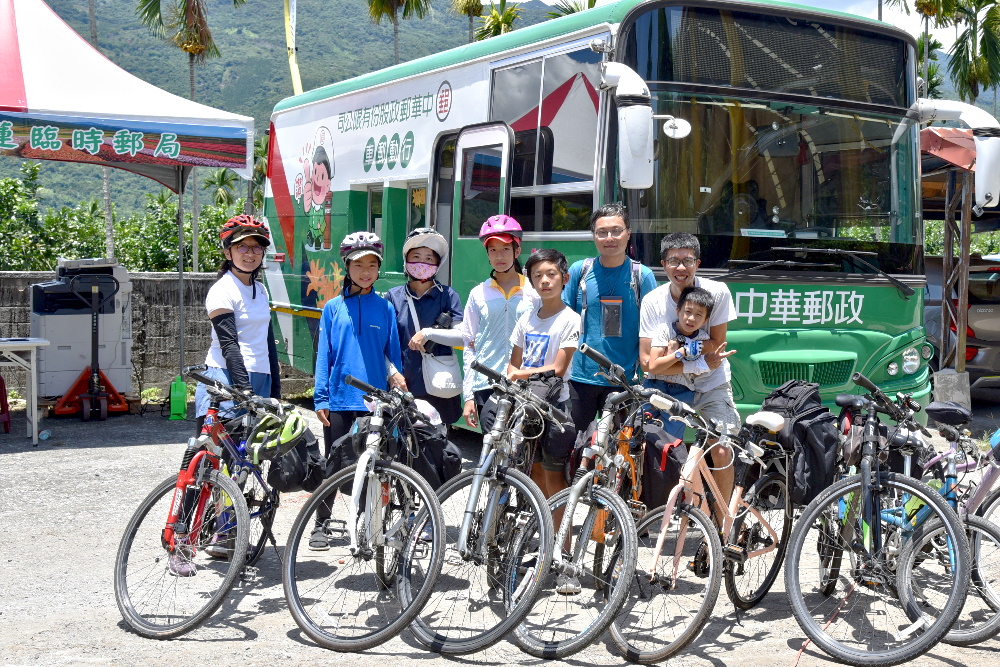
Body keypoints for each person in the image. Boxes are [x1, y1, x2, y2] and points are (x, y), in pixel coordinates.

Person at [310, 231, 405, 550]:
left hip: (375, 404)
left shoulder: (385, 308)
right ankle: (321, 524)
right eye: (358, 264)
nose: (365, 271)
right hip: (339, 399)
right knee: (333, 464)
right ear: (346, 267)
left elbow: (394, 356)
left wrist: (397, 392)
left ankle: (366, 525)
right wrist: (321, 397)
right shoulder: (332, 308)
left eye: (372, 264)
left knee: (374, 466)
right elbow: (324, 355)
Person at [639, 232, 738, 506]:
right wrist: (695, 359)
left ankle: (723, 522)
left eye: (687, 260)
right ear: (663, 264)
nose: (680, 268)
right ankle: (654, 510)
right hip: (667, 386)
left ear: (698, 263)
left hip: (710, 384)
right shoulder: (653, 302)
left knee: (721, 448)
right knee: (651, 446)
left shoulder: (717, 293)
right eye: (673, 261)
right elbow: (647, 363)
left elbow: (717, 345)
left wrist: (676, 353)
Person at [562, 203, 657, 437]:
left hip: (623, 379)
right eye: (602, 232)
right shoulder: (579, 271)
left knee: (618, 450)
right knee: (571, 444)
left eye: (616, 230)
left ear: (628, 233)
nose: (609, 238)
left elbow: (654, 328)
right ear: (594, 236)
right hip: (580, 377)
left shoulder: (642, 276)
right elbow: (563, 320)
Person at [193, 214, 281, 433]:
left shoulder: (260, 290)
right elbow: (229, 344)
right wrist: (245, 390)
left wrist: (276, 391)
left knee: (252, 458)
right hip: (227, 377)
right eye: (242, 247)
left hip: (261, 376)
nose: (250, 254)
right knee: (218, 456)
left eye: (256, 248)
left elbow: (268, 342)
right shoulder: (222, 290)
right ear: (227, 252)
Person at [508, 248, 580, 500]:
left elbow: (559, 368)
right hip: (527, 407)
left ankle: (561, 540)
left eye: (551, 274)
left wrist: (520, 374)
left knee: (554, 478)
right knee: (534, 473)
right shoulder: (526, 319)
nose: (545, 281)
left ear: (565, 278)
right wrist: (516, 375)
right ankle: (543, 532)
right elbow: (513, 364)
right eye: (537, 276)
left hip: (555, 407)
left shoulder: (570, 318)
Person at [461, 215, 537, 432]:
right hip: (487, 385)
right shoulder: (478, 294)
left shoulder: (533, 291)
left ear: (517, 250)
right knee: (491, 450)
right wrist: (468, 396)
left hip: (526, 383)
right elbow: (469, 346)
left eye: (504, 248)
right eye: (492, 250)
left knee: (524, 453)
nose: (499, 256)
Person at [385, 228, 464, 425]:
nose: (423, 263)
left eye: (429, 258)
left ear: (438, 264)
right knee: (404, 447)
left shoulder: (448, 296)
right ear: (406, 261)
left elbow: (462, 336)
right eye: (416, 257)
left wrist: (428, 333)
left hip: (439, 385)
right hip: (404, 385)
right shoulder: (393, 297)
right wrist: (391, 373)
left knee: (438, 447)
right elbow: (382, 343)